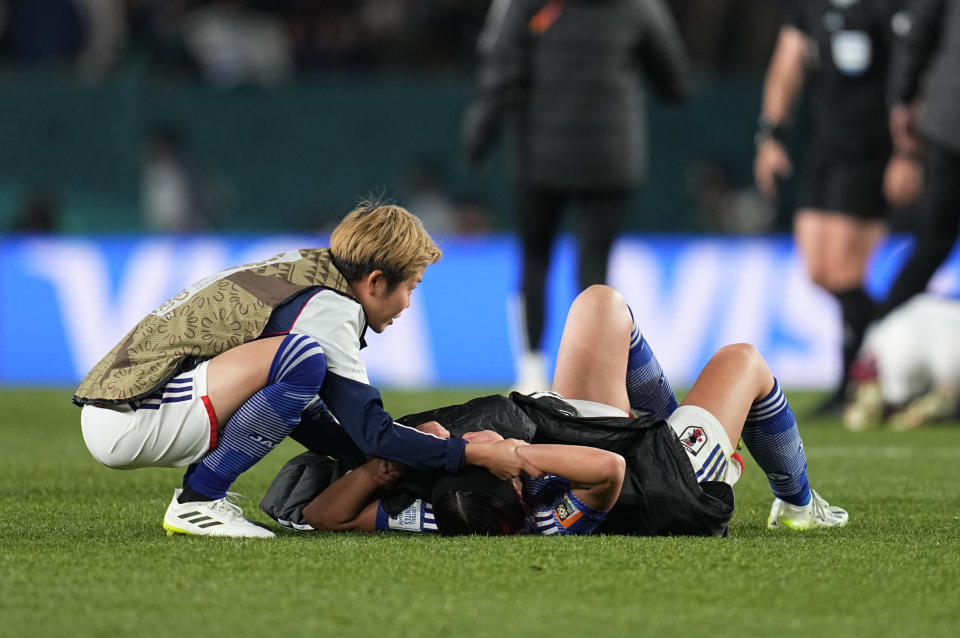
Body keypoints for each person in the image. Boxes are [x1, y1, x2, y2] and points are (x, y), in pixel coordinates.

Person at [75, 201, 536, 538]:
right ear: (375, 282)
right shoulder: (328, 307)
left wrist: (384, 463)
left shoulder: (309, 272)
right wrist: (472, 455)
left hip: (129, 409)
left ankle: (202, 498)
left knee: (301, 377)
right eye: (411, 287)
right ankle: (198, 502)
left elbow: (314, 417)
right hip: (133, 418)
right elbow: (371, 433)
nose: (408, 304)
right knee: (301, 361)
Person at [267, 285, 849, 536]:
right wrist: (508, 453)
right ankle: (797, 505)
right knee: (742, 360)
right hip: (660, 477)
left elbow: (325, 517)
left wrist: (376, 470)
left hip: (573, 421)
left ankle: (680, 429)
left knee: (600, 302)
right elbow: (609, 471)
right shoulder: (545, 518)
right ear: (515, 488)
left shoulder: (439, 511)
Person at [462, 0, 689, 392]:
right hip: (611, 154)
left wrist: (479, 136)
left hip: (541, 153)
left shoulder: (528, 4)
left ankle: (531, 373)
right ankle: (592, 381)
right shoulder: (638, 6)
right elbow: (675, 81)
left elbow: (501, 71)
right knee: (595, 268)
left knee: (534, 259)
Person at [753, 0, 915, 415]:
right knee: (820, 271)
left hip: (872, 149)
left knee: (846, 270)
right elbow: (786, 64)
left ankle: (856, 382)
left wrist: (906, 152)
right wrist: (771, 135)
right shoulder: (808, 6)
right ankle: (890, 349)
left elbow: (910, 73)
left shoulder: (887, 7)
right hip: (825, 148)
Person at [869, 0, 960, 323]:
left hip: (946, 123)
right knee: (932, 243)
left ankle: (877, 340)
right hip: (948, 126)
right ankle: (880, 337)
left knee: (932, 244)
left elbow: (917, 35)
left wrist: (902, 99)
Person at [844, 293, 960, 431]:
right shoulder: (882, 337)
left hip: (933, 334)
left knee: (942, 393)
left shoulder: (885, 347)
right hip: (935, 319)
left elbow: (897, 399)